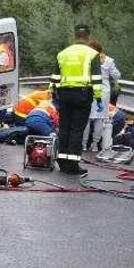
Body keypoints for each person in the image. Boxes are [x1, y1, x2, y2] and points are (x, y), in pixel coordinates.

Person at [49, 24, 103, 174]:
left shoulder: (63, 53)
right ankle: (72, 165)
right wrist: (98, 99)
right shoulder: (92, 54)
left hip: (64, 95)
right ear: (88, 37)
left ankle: (62, 161)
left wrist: (53, 94)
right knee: (77, 129)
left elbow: (55, 77)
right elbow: (97, 79)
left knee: (64, 127)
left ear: (75, 36)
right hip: (82, 95)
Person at [82, 40, 122, 151]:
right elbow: (117, 75)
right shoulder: (108, 60)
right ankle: (95, 144)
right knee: (99, 119)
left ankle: (83, 144)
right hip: (103, 91)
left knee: (86, 118)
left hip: (89, 89)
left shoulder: (86, 59)